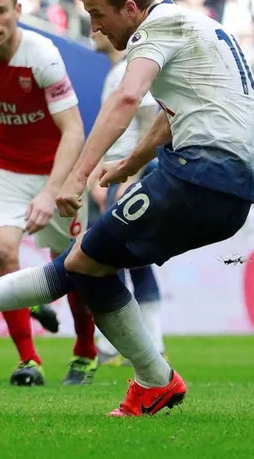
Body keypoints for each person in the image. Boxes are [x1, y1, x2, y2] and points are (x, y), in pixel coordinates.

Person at [0, 0, 254, 416]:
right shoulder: (200, 28)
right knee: (88, 263)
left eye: (97, 14)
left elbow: (128, 98)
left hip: (199, 174)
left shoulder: (155, 31)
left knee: (83, 261)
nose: (94, 28)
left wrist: (76, 177)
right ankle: (151, 381)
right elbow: (174, 116)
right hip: (230, 189)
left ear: (131, 8)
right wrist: (131, 162)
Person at [0, 0, 98, 387]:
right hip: (3, 170)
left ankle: (85, 352)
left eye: (2, 11)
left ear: (17, 10)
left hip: (57, 170)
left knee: (74, 266)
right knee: (1, 252)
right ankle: (29, 360)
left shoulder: (43, 56)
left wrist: (52, 191)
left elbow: (74, 130)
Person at [88, 29, 165, 366]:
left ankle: (113, 345)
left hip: (129, 176)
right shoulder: (116, 71)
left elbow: (150, 125)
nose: (93, 30)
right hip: (113, 176)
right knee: (132, 260)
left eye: (98, 22)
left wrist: (131, 176)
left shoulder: (133, 69)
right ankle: (151, 341)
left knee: (107, 258)